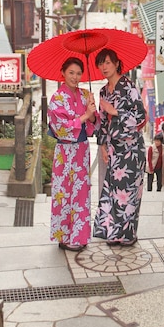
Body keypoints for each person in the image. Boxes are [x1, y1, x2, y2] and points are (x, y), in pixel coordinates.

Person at [93, 48, 146, 246]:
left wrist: (114, 110)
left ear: (116, 64)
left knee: (130, 192)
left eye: (107, 62)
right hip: (114, 149)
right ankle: (114, 232)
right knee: (114, 191)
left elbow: (141, 117)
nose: (104, 67)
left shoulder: (129, 87)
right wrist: (103, 146)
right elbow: (103, 123)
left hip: (131, 149)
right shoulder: (103, 92)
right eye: (101, 63)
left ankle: (128, 235)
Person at [48, 57, 99, 252]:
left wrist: (92, 112)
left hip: (82, 149)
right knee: (64, 192)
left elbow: (93, 125)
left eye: (78, 73)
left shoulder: (85, 94)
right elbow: (60, 128)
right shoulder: (57, 98)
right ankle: (64, 236)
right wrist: (85, 115)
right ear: (63, 72)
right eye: (71, 72)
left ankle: (79, 236)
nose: (75, 77)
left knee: (81, 192)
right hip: (65, 151)